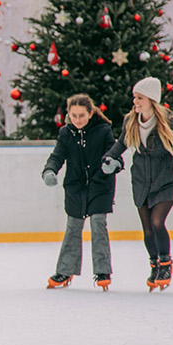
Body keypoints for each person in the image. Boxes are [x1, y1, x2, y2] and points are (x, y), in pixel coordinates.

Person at [102, 76, 173, 291]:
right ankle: (154, 265)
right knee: (147, 230)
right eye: (134, 98)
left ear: (151, 100)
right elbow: (120, 145)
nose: (135, 102)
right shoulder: (131, 121)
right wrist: (108, 158)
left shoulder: (170, 124)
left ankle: (165, 263)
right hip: (141, 182)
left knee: (157, 222)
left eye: (140, 98)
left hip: (167, 181)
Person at [43, 94, 116, 289]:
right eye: (73, 116)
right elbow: (57, 155)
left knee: (98, 223)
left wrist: (112, 163)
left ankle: (102, 270)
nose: (77, 120)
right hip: (76, 186)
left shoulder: (103, 130)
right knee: (73, 226)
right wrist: (50, 170)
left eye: (82, 115)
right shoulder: (66, 133)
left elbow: (113, 152)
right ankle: (65, 271)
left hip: (100, 185)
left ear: (90, 113)